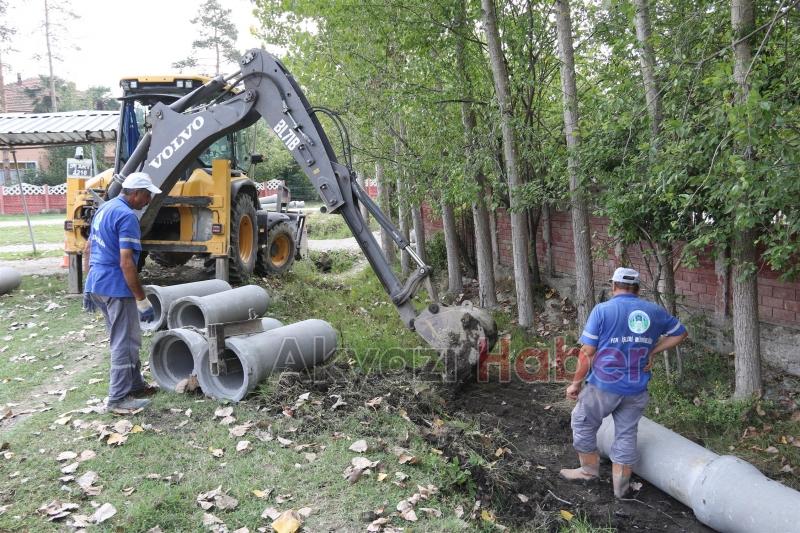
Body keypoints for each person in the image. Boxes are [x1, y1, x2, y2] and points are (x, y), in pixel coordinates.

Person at [559, 267, 688, 498]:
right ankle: (621, 488)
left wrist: (576, 383)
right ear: (637, 288)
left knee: (583, 422)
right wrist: (652, 351)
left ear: (613, 286)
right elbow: (680, 333)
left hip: (603, 385)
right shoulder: (653, 311)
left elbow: (587, 351)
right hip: (636, 388)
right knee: (626, 434)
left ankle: (588, 472)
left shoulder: (603, 310)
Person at [83, 172, 161, 412]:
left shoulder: (105, 208)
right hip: (116, 286)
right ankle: (118, 399)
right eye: (147, 196)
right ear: (136, 193)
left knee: (126, 337)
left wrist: (89, 281)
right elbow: (126, 263)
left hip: (98, 282)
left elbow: (88, 248)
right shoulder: (127, 216)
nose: (148, 201)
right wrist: (141, 299)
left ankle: (135, 385)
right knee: (124, 342)